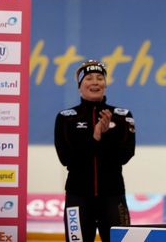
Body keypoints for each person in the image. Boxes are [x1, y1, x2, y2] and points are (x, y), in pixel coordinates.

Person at [54, 60, 136, 242]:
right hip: (78, 199)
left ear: (105, 85)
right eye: (89, 78)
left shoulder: (123, 116)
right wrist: (95, 136)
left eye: (100, 78)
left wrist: (107, 136)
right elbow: (67, 159)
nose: (95, 82)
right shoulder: (65, 118)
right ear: (79, 87)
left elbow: (125, 155)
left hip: (114, 197)